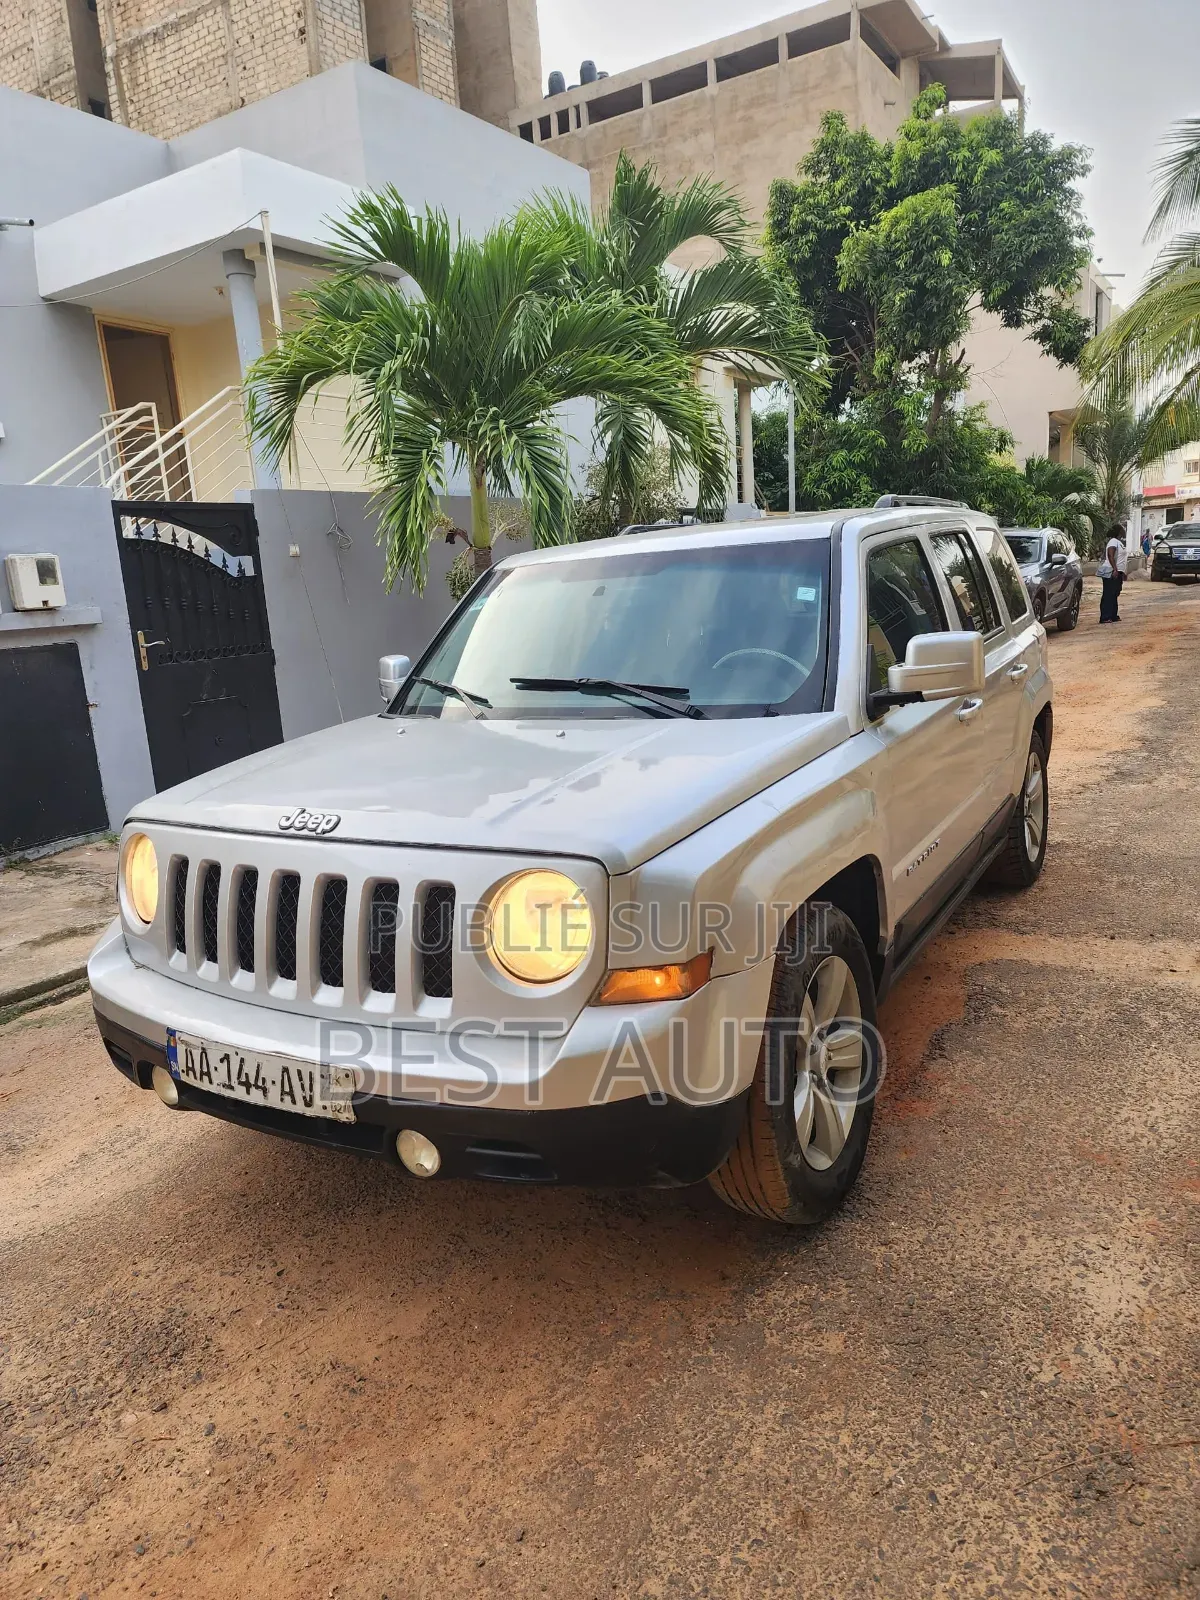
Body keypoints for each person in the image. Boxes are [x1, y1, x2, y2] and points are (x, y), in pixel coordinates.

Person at [1099, 523, 1128, 623]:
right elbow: (1110, 555)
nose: (1124, 531)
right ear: (1119, 531)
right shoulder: (1113, 542)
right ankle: (1105, 616)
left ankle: (1113, 615)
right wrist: (1115, 569)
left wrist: (1123, 572)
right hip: (1111, 571)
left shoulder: (1119, 542)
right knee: (1108, 594)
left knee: (1114, 593)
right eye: (1122, 529)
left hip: (1118, 572)